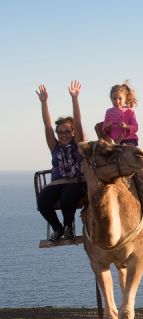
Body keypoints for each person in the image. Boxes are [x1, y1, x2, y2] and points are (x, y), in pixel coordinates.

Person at [35, 81, 87, 241]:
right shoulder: (55, 147)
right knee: (42, 200)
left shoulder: (79, 144)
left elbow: (78, 122)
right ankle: (58, 229)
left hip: (76, 182)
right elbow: (47, 125)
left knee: (68, 196)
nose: (62, 135)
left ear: (72, 132)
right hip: (57, 183)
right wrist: (44, 103)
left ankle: (68, 226)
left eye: (66, 131)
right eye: (60, 132)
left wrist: (75, 99)